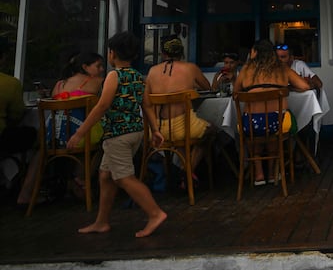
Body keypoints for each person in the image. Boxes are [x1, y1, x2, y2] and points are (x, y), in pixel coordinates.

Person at [67, 31, 167, 238]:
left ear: (112, 54)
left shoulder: (114, 76)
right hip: (134, 132)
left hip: (117, 134)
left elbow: (102, 106)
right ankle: (101, 222)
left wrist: (80, 132)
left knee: (123, 178)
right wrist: (155, 130)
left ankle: (155, 213)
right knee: (105, 175)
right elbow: (146, 105)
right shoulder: (139, 77)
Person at [17, 52, 105, 206]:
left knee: (41, 153)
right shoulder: (97, 82)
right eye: (98, 66)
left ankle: (25, 194)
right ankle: (81, 179)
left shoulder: (59, 85)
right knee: (102, 143)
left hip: (52, 136)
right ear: (85, 67)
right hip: (78, 136)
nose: (102, 69)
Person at [233, 39, 311, 185]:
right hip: (277, 123)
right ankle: (273, 172)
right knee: (280, 125)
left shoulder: (246, 69)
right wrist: (287, 89)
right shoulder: (282, 68)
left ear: (254, 52)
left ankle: (258, 173)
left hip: (250, 126)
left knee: (253, 128)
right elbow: (305, 86)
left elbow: (235, 93)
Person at [144, 35, 215, 185]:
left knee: (181, 139)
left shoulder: (152, 71)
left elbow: (146, 100)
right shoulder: (190, 68)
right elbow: (207, 87)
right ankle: (186, 171)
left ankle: (178, 173)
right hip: (183, 127)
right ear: (181, 52)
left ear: (163, 53)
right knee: (210, 132)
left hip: (157, 129)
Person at [1, 39, 37, 194]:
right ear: (3, 58)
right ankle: (25, 190)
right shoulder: (10, 83)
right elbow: (17, 115)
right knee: (36, 136)